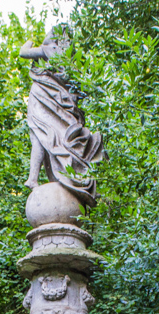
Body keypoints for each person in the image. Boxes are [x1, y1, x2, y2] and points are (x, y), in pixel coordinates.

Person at [19, 26, 106, 209]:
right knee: (45, 136)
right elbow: (81, 87)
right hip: (56, 102)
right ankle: (36, 178)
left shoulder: (47, 48)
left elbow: (23, 52)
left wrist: (30, 44)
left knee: (40, 136)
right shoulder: (69, 57)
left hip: (42, 97)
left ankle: (33, 178)